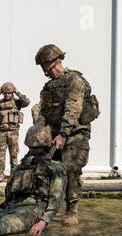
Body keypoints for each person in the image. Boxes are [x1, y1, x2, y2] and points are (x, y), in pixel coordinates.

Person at [35, 44, 99, 226]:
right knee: (44, 168)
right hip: (55, 133)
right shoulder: (49, 86)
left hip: (75, 133)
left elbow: (73, 109)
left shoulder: (74, 80)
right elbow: (43, 111)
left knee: (70, 169)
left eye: (43, 65)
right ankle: (43, 208)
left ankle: (72, 210)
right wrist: (39, 130)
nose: (42, 69)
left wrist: (63, 133)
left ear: (53, 62)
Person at [0, 82, 30, 183]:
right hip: (1, 132)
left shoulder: (17, 103)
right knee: (1, 155)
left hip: (13, 132)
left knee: (13, 154)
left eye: (9, 93)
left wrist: (17, 91)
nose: (7, 95)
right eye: (5, 93)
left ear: (12, 93)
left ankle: (14, 175)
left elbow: (26, 102)